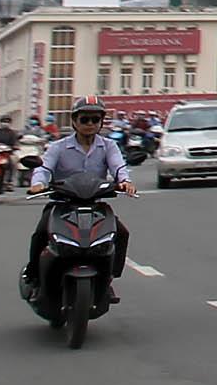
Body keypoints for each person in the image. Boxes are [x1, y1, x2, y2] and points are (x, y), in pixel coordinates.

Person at [21, 101, 136, 296]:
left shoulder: (109, 146)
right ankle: (32, 276)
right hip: (62, 204)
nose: (90, 124)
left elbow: (119, 167)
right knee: (41, 233)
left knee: (121, 233)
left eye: (95, 119)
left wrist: (125, 181)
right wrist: (38, 184)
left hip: (95, 205)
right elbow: (44, 168)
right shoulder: (58, 147)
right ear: (74, 121)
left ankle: (109, 277)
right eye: (84, 119)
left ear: (101, 122)